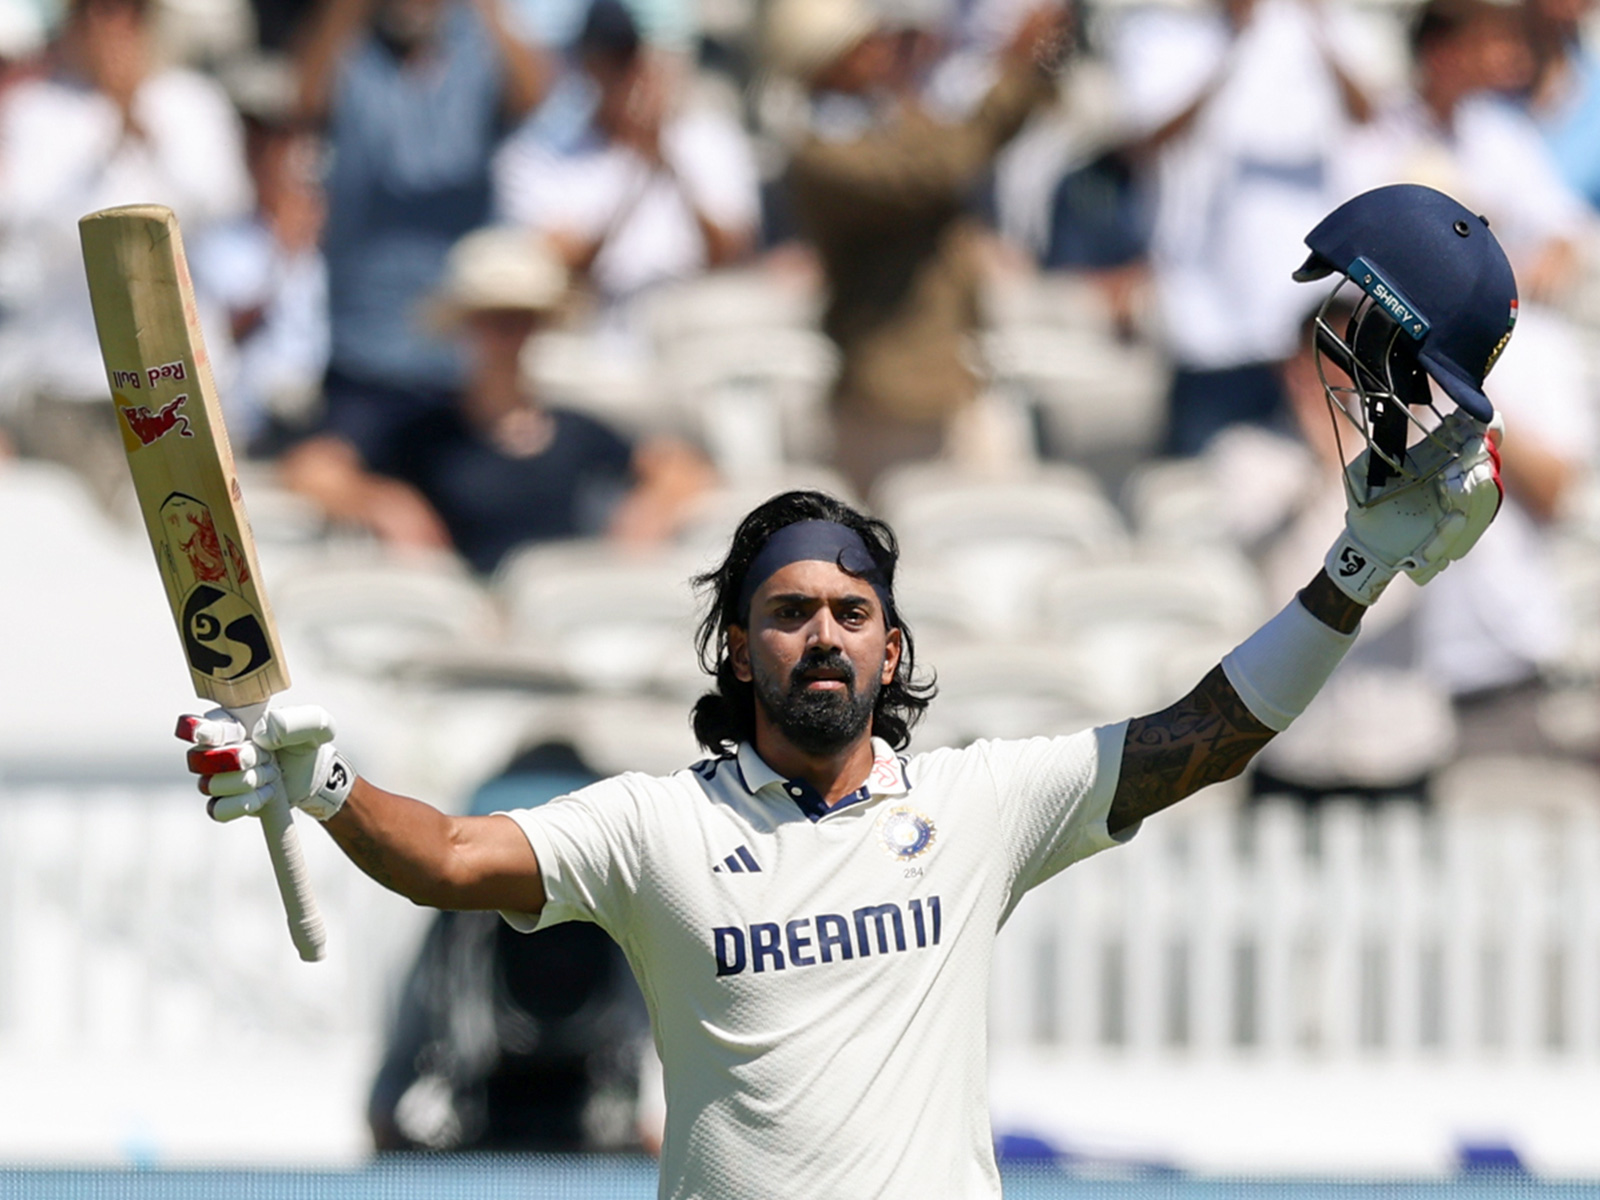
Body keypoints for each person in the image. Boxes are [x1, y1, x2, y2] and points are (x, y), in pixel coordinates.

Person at [182, 186, 1511, 1199]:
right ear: (738, 649)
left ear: (891, 649)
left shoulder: (983, 806)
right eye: (787, 613)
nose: (821, 635)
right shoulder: (660, 828)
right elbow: (455, 856)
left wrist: (1354, 571)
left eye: (850, 613)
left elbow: (1208, 736)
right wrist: (334, 785)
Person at [279, 225, 713, 573]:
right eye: (493, 320)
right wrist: (382, 503)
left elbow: (682, 468)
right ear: (467, 327)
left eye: (520, 319)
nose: (507, 335)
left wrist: (649, 511)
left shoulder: (577, 430)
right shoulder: (424, 431)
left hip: (559, 623)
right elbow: (311, 468)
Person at [769, 0, 1070, 497]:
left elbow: (965, 143)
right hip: (894, 392)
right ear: (829, 58)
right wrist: (1012, 66)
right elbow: (940, 169)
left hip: (952, 376)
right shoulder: (819, 155)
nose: (881, 52)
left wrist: (1035, 62)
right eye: (865, 44)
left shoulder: (888, 119)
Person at [1110, 0, 1375, 455]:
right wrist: (1234, 44)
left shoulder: (1323, 25)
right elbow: (1148, 138)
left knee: (1328, 495)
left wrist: (1316, 25)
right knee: (1202, 503)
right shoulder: (1157, 34)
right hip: (1209, 331)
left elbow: (1369, 110)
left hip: (1303, 338)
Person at [298, 0, 548, 469]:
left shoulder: (474, 53)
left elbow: (536, 92)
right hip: (365, 361)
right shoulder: (352, 56)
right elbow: (304, 101)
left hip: (462, 368)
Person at [493, 0, 759, 325]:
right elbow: (559, 262)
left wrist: (666, 160)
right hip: (593, 327)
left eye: (630, 58)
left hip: (693, 325)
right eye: (611, 61)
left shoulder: (711, 139)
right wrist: (636, 173)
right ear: (587, 67)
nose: (626, 75)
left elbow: (732, 251)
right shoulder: (538, 153)